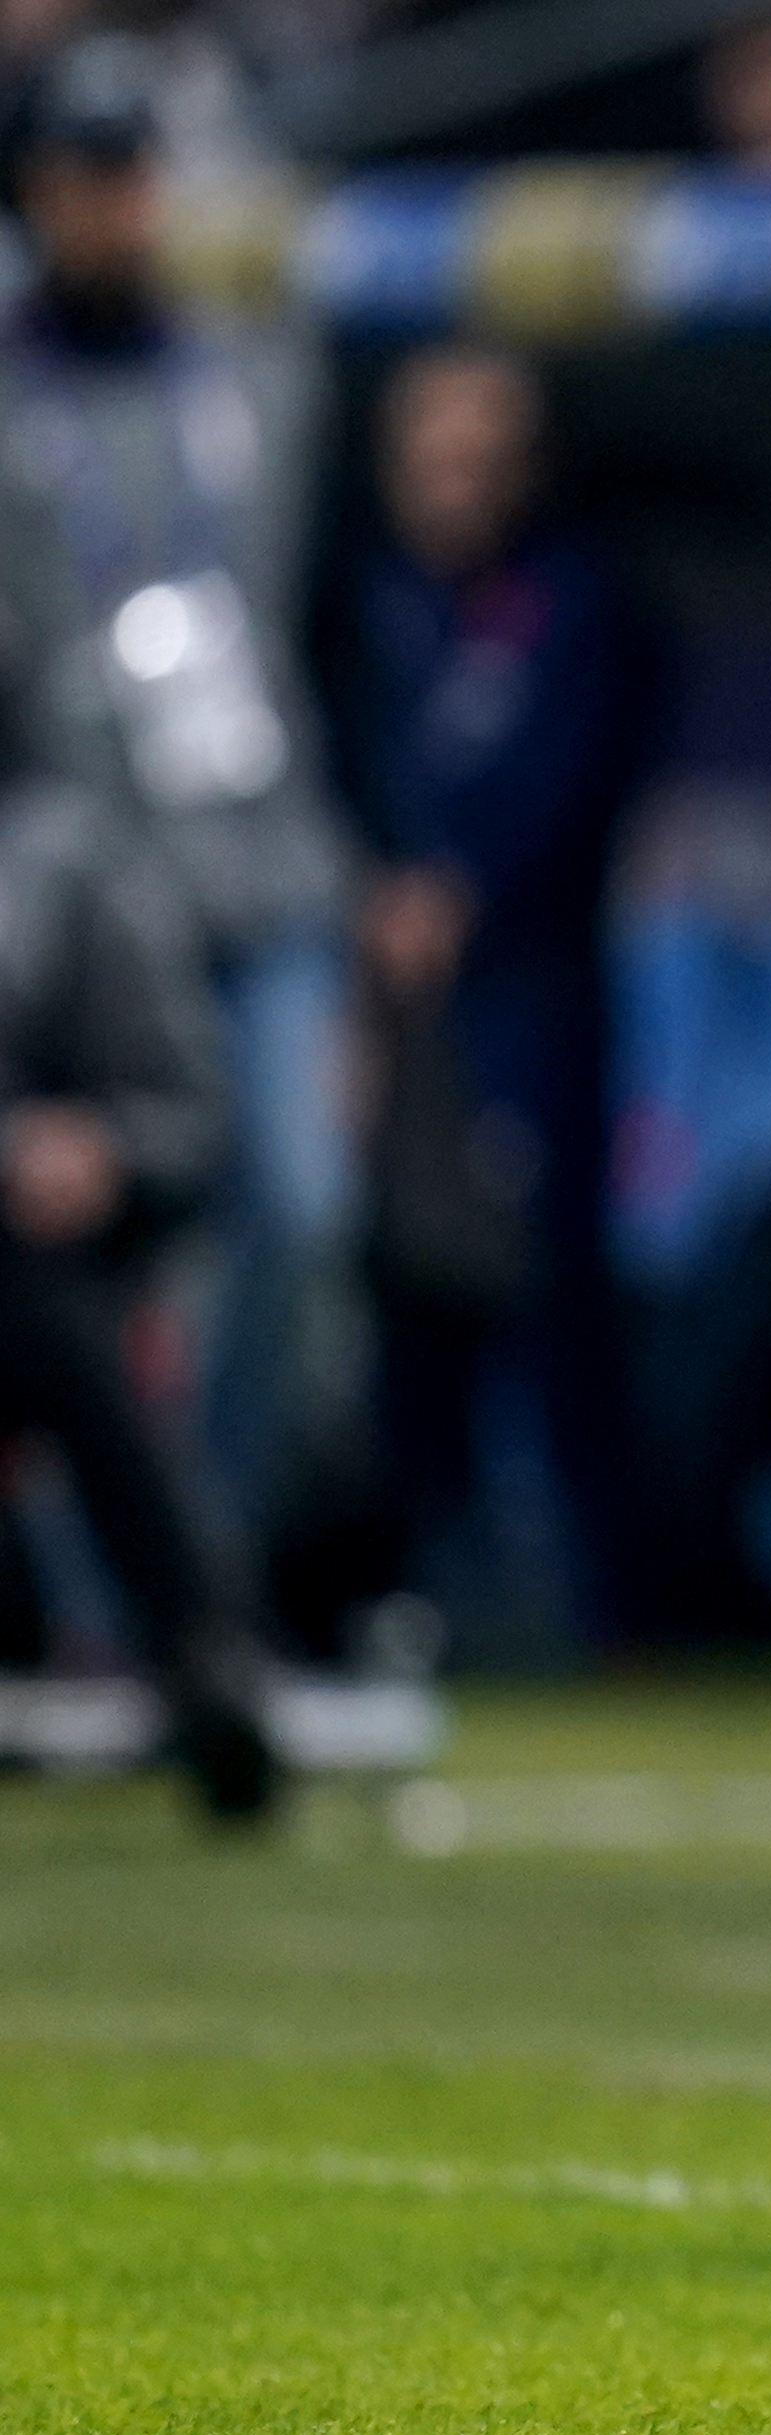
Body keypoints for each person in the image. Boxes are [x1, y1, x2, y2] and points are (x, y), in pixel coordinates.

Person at [0, 34, 357, 1576]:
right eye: (81, 176)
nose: (112, 206)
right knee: (88, 1246)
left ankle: (199, 1568)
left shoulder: (259, 373)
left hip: (261, 856)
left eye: (132, 172)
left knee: (299, 1210)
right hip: (78, 884)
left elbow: (325, 615)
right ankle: (104, 1593)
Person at [305, 342, 661, 1662]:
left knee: (549, 1288)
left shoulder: (581, 600)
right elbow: (330, 760)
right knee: (389, 1295)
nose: (451, 485)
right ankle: (404, 1594)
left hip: (530, 989)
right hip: (379, 994)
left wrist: (468, 891)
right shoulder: (357, 601)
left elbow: (585, 779)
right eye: (429, 456)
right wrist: (375, 890)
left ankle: (603, 1604)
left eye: (479, 456)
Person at [0, 755, 272, 1821]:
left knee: (54, 1325)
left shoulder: (65, 860)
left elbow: (191, 1114)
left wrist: (103, 1149)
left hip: (26, 1270)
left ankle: (207, 1650)